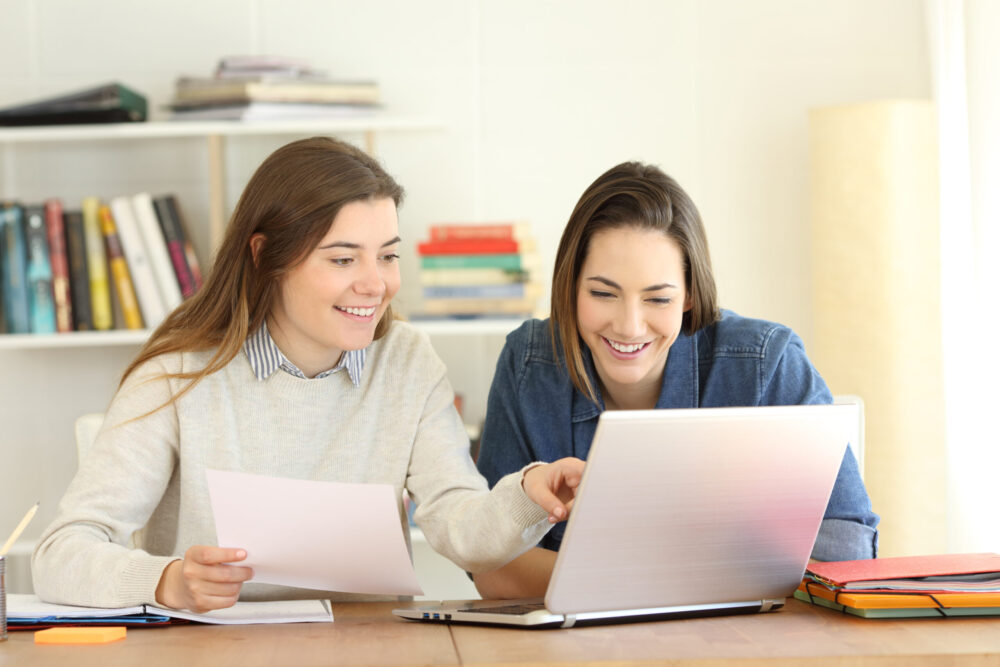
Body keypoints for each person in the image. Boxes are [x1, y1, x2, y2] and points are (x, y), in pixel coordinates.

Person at [32, 136, 583, 613]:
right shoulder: (177, 376)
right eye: (343, 259)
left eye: (387, 256)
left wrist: (529, 496)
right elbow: (62, 552)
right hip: (209, 650)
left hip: (364, 647)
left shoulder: (407, 360)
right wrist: (168, 581)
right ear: (265, 255)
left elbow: (460, 527)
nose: (376, 285)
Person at [473, 161, 879, 599]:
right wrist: (694, 576)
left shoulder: (766, 364)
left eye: (658, 298)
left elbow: (847, 552)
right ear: (570, 287)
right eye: (603, 293)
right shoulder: (530, 364)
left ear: (689, 295)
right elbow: (492, 564)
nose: (629, 326)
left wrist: (615, 579)